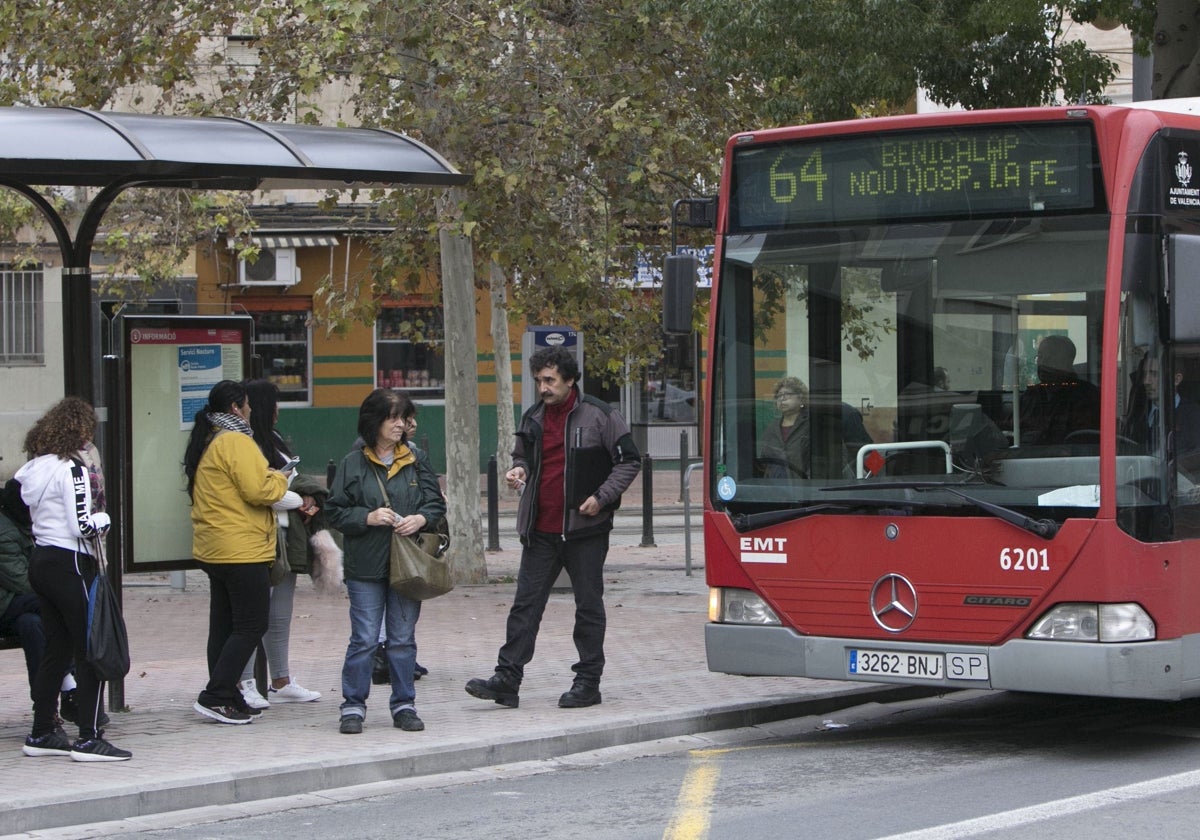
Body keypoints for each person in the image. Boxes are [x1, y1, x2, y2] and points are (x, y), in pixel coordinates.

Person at [465, 346, 640, 710]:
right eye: (538, 381)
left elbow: (629, 462)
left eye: (550, 380)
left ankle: (588, 682)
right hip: (540, 530)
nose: (543, 388)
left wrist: (602, 496)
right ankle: (507, 679)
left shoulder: (602, 416)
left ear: (570, 380)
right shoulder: (533, 417)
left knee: (588, 607)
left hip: (585, 531)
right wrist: (519, 470)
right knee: (525, 606)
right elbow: (522, 456)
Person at [15, 397, 131, 760]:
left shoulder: (35, 468)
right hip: (73, 562)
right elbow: (82, 524)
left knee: (57, 649)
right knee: (90, 647)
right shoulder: (74, 470)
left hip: (43, 560)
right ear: (80, 431)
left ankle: (41, 731)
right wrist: (106, 519)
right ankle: (89, 735)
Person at [326, 389, 445, 734]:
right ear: (374, 421)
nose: (400, 425)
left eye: (403, 417)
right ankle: (353, 706)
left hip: (408, 564)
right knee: (364, 638)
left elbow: (436, 504)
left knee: (402, 639)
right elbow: (334, 510)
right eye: (393, 418)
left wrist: (420, 519)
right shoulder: (353, 462)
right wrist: (368, 517)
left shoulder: (416, 459)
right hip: (365, 565)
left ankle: (404, 704)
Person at [183, 380, 292, 725]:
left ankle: (227, 694)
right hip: (240, 548)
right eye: (246, 405)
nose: (251, 410)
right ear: (236, 408)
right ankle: (215, 695)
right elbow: (259, 488)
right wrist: (280, 478)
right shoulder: (235, 440)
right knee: (251, 623)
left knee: (225, 625)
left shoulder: (210, 437)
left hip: (217, 547)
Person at [235, 379, 323, 710]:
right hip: (260, 536)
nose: (278, 410)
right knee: (253, 615)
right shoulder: (244, 444)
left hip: (286, 537)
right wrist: (299, 497)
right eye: (273, 403)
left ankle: (281, 679)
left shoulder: (271, 439)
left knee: (280, 614)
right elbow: (264, 492)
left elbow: (288, 478)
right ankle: (243, 681)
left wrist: (305, 496)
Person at [1018, 335, 1100, 446]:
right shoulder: (1030, 396)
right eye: (1040, 356)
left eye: (1050, 358)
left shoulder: (1087, 397)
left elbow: (1088, 441)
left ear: (1067, 362)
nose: (1042, 363)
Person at [759, 377, 810, 478]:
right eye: (779, 396)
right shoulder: (772, 427)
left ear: (801, 398)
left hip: (804, 486)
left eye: (788, 394)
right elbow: (764, 460)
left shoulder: (811, 425)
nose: (782, 398)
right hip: (775, 487)